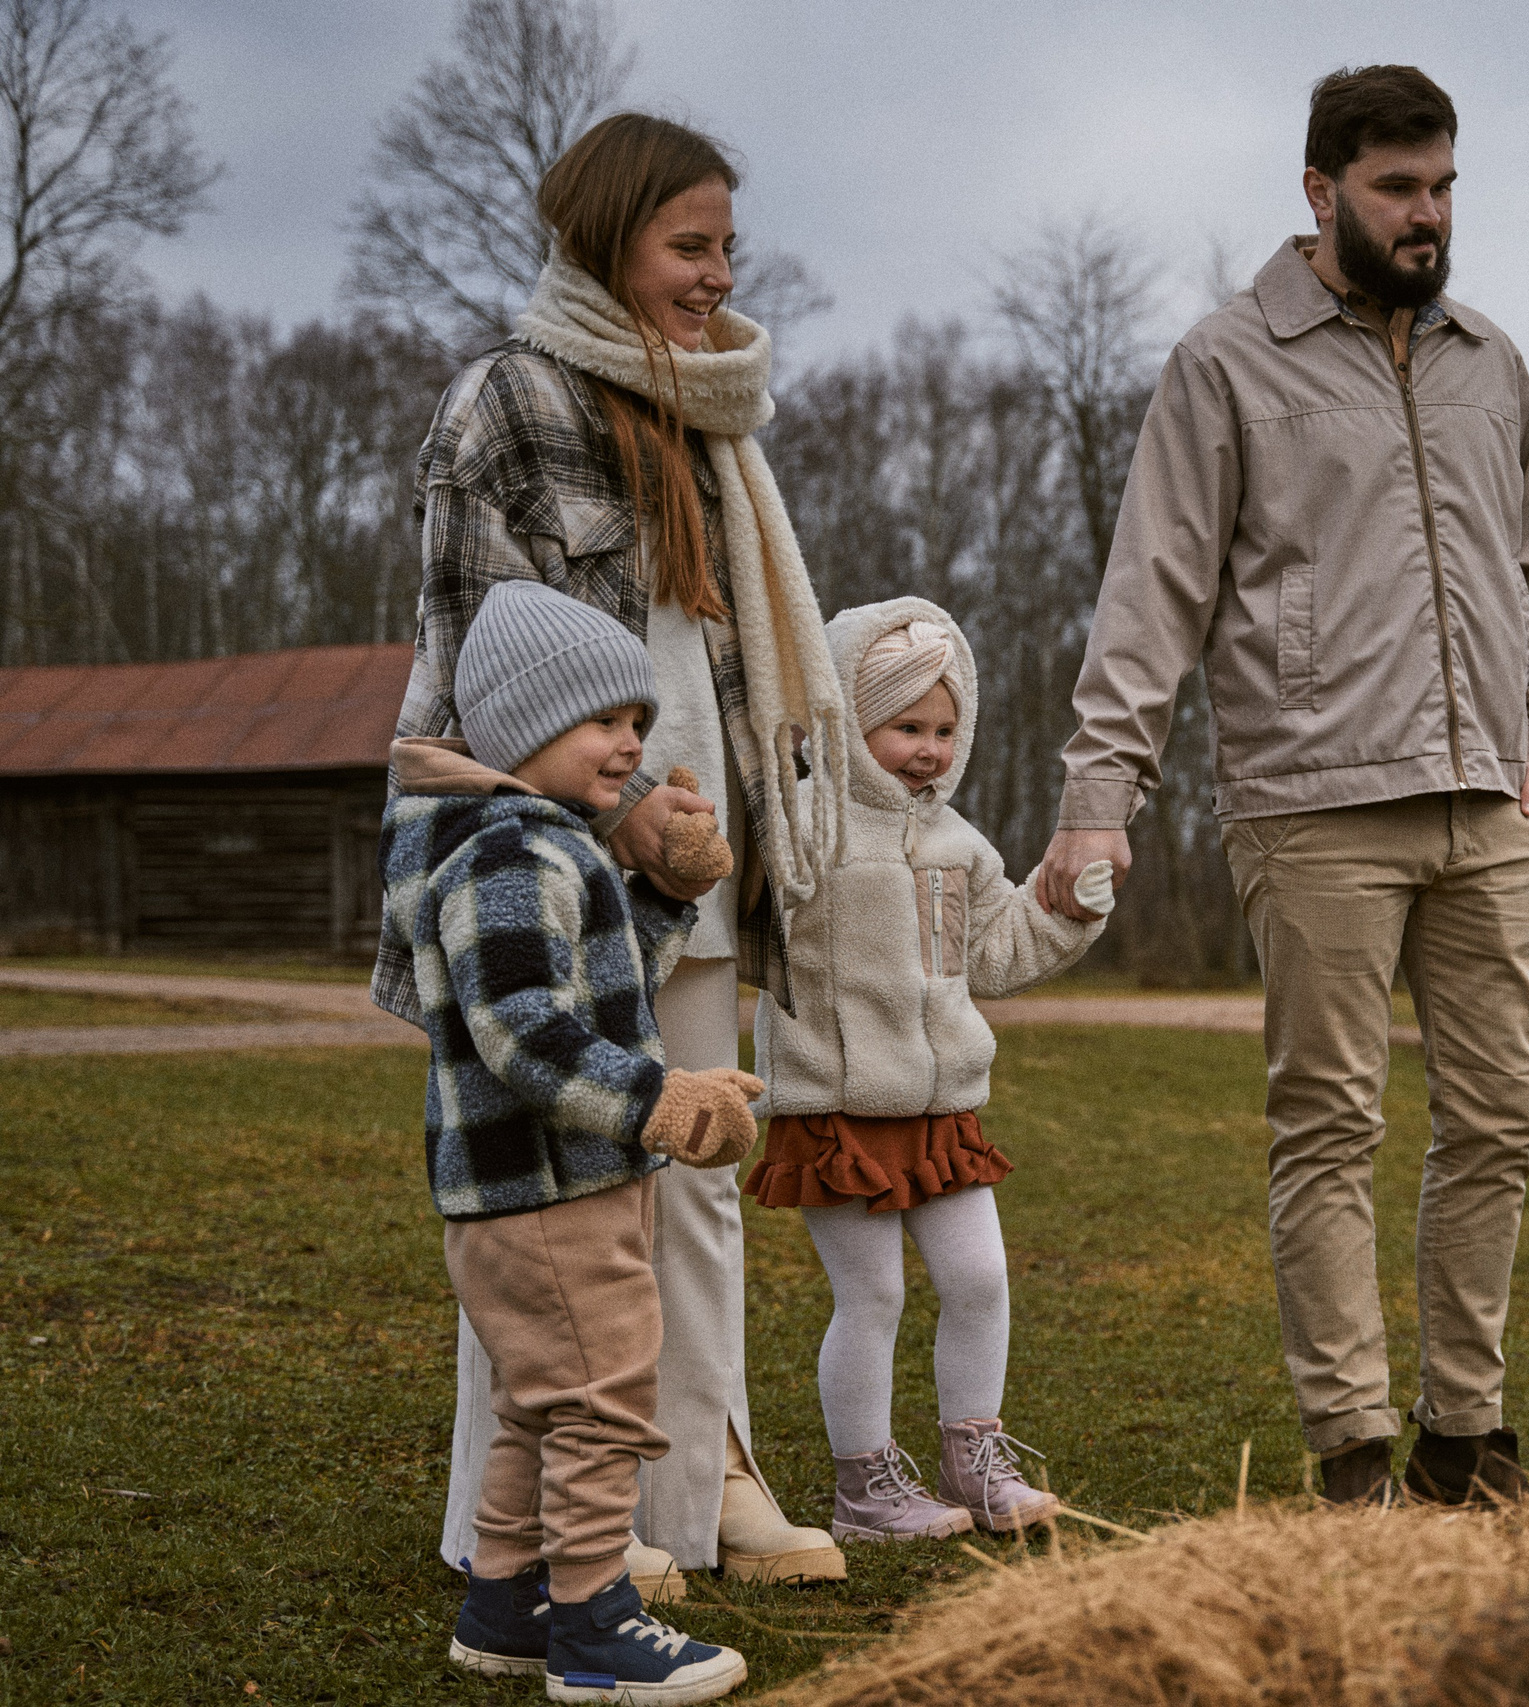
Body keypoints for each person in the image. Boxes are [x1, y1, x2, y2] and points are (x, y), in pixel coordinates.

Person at [1035, 65, 1529, 1508]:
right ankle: (1352, 1455)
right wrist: (1103, 787)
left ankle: (1465, 1439)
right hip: (1316, 802)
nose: (1427, 214)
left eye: (1445, 185)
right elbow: (1151, 589)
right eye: (1399, 187)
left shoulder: (1491, 362)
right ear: (1320, 188)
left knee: (1502, 1116)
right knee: (1331, 1124)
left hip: (1491, 809)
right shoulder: (1228, 364)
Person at [374, 111, 849, 1591]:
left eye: (726, 245)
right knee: (551, 1179)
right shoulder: (505, 406)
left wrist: (707, 828)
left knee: (693, 1158)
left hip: (688, 845)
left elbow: (716, 653)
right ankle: (519, 1524)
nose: (716, 274)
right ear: (604, 240)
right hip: (549, 843)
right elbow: (473, 672)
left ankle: (698, 1479)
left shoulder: (714, 418)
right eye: (686, 245)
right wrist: (616, 806)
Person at [381, 580, 755, 1702]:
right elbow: (526, 1035)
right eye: (605, 723)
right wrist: (663, 1102)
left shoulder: (539, 842)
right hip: (547, 1193)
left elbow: (599, 981)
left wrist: (664, 891)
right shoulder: (505, 851)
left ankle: (508, 1601)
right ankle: (594, 1626)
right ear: (526, 726)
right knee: (600, 1402)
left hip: (534, 1192)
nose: (631, 746)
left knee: (543, 1401)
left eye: (638, 723)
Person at [745, 598, 1116, 1540]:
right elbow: (741, 920)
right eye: (907, 725)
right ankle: (865, 1487)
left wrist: (1068, 911)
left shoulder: (961, 847)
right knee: (873, 1295)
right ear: (850, 720)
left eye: (946, 729)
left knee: (982, 1278)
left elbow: (993, 954)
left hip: (943, 1107)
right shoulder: (802, 830)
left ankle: (973, 1459)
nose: (930, 749)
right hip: (836, 1104)